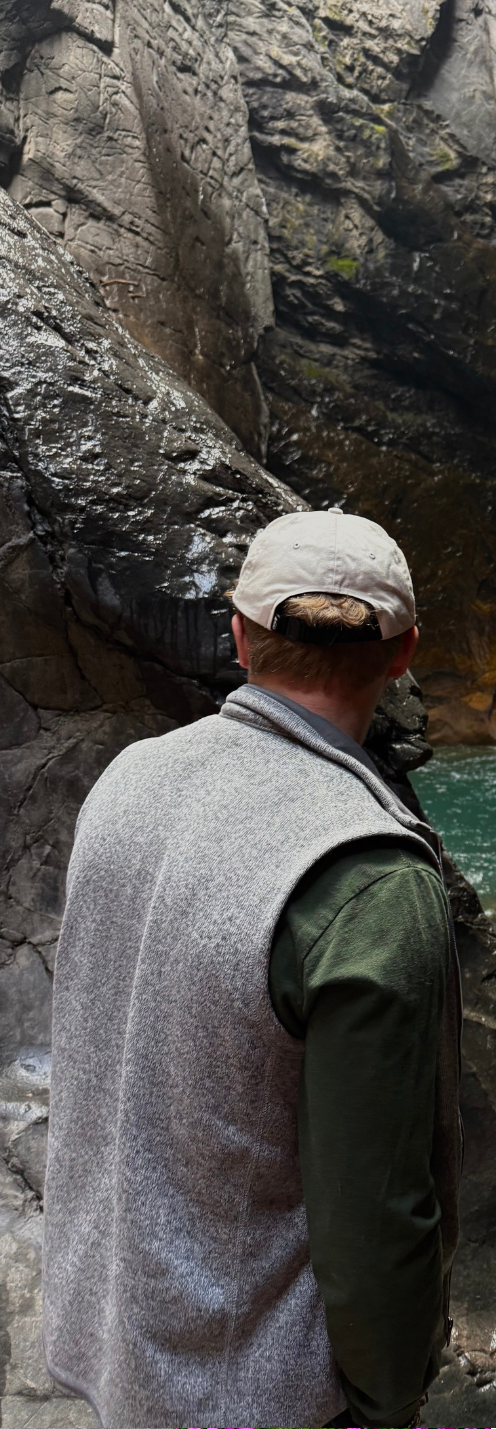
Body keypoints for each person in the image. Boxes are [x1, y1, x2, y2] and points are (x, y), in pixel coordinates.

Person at [42, 509, 462, 1429]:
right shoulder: (370, 877)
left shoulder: (128, 781)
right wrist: (393, 1398)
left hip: (117, 1334)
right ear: (402, 654)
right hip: (257, 1387)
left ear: (238, 635)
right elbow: (376, 1213)